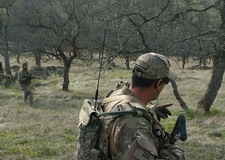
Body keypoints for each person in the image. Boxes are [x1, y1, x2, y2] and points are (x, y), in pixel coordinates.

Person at [100, 52, 185, 159]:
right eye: (165, 83)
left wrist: (148, 112)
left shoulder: (116, 94)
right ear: (158, 84)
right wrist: (175, 152)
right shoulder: (135, 123)